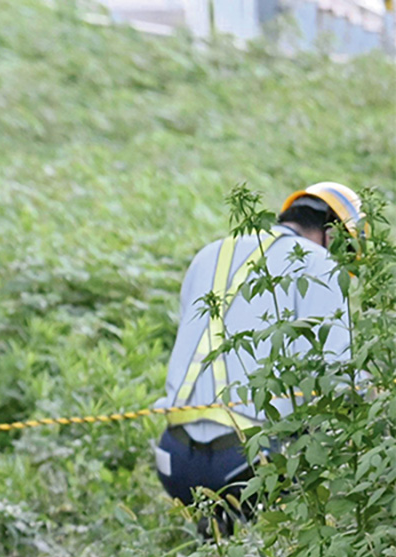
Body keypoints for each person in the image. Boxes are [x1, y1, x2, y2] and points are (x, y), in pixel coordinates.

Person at [153, 182, 366, 525]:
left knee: (218, 550)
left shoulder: (210, 253)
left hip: (174, 457)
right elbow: (340, 377)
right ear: (333, 232)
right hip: (251, 461)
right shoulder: (320, 263)